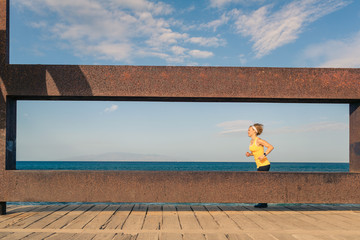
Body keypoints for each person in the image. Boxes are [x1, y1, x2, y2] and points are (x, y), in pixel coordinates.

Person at [245, 123, 274, 208]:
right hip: (259, 165)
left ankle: (263, 203)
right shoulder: (251, 141)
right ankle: (263, 202)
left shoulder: (259, 140)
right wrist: (250, 154)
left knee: (260, 183)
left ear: (254, 131)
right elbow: (256, 152)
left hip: (264, 164)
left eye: (249, 130)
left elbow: (270, 147)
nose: (248, 131)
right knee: (261, 183)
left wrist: (264, 155)